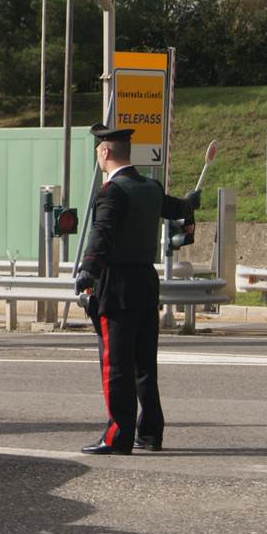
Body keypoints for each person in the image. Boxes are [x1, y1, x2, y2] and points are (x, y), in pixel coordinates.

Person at [74, 123, 197, 455]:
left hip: (116, 284)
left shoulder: (112, 191)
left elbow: (102, 233)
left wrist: (88, 270)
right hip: (146, 282)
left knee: (116, 363)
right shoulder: (150, 187)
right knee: (145, 363)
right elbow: (175, 209)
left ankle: (118, 435)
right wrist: (189, 204)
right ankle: (150, 432)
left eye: (98, 152)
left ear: (104, 152)